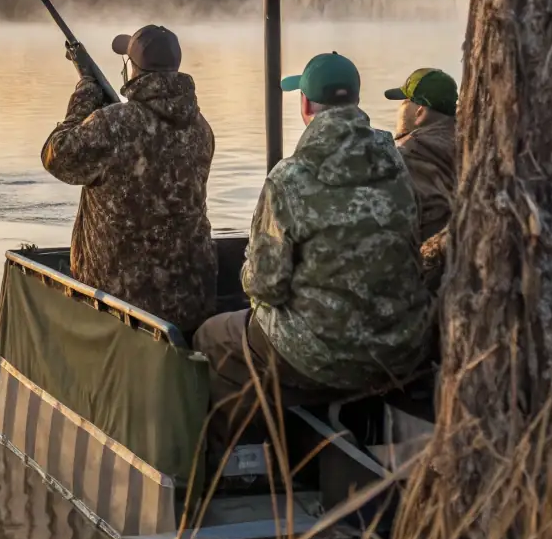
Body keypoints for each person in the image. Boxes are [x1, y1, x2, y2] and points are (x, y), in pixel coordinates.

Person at [193, 52, 432, 451]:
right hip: (399, 345)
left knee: (212, 338)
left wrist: (251, 277)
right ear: (357, 101)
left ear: (305, 105)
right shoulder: (397, 163)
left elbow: (266, 285)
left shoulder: (289, 177)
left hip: (319, 354)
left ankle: (241, 468)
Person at [40, 24, 217, 336]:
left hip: (122, 306)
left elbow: (56, 156)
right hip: (190, 301)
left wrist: (86, 90)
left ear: (132, 70)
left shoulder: (114, 125)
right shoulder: (201, 129)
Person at [385, 68, 458, 292]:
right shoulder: (474, 143)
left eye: (405, 100)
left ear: (420, 111)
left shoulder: (405, 158)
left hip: (423, 284)